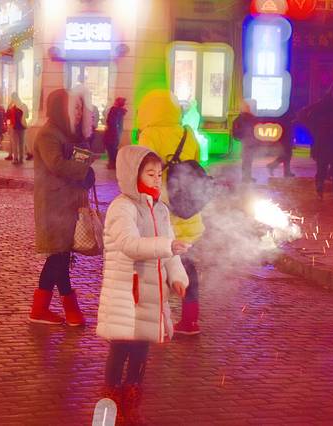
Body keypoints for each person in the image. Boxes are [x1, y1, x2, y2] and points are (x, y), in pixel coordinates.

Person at [97, 145, 189, 424]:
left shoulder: (160, 209)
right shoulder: (122, 207)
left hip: (151, 293)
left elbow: (169, 251)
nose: (157, 180)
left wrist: (177, 277)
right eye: (150, 174)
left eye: (159, 174)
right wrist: (167, 245)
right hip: (127, 291)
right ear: (133, 174)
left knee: (140, 351)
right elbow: (130, 244)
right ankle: (110, 407)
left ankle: (131, 406)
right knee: (121, 348)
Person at [137, 89, 205, 335]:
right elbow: (198, 163)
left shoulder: (149, 135)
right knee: (187, 267)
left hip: (163, 213)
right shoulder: (187, 133)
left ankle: (156, 321)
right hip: (188, 211)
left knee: (156, 268)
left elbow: (143, 172)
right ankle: (190, 320)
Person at [28, 88, 95, 326]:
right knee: (59, 256)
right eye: (74, 108)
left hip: (69, 205)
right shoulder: (48, 134)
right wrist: (83, 171)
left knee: (61, 256)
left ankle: (40, 310)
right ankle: (69, 308)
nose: (78, 112)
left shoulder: (69, 134)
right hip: (53, 206)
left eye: (80, 108)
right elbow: (56, 164)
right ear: (61, 109)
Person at [307, 93, 333, 201]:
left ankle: (320, 193)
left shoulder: (317, 113)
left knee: (321, 172)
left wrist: (314, 105)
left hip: (321, 147)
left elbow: (303, 117)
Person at [232, 99, 260, 183]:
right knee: (247, 160)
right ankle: (246, 178)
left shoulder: (239, 118)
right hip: (249, 142)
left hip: (245, 141)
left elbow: (235, 131)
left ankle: (246, 177)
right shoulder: (250, 118)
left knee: (247, 160)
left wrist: (239, 137)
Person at [266, 110, 296, 178]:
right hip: (285, 140)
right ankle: (272, 166)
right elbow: (287, 131)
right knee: (286, 155)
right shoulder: (286, 120)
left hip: (285, 139)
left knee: (287, 156)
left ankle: (286, 172)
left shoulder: (284, 119)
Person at [103, 97, 127, 170]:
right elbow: (120, 125)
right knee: (114, 149)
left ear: (116, 102)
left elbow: (110, 122)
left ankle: (112, 164)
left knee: (110, 149)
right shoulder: (121, 112)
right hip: (117, 134)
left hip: (111, 133)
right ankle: (114, 164)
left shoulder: (113, 110)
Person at [5, 93, 28, 164]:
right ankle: (21, 158)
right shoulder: (24, 106)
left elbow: (7, 116)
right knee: (22, 143)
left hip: (14, 127)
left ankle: (15, 159)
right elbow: (27, 116)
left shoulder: (12, 108)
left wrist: (9, 106)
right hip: (22, 126)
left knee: (15, 144)